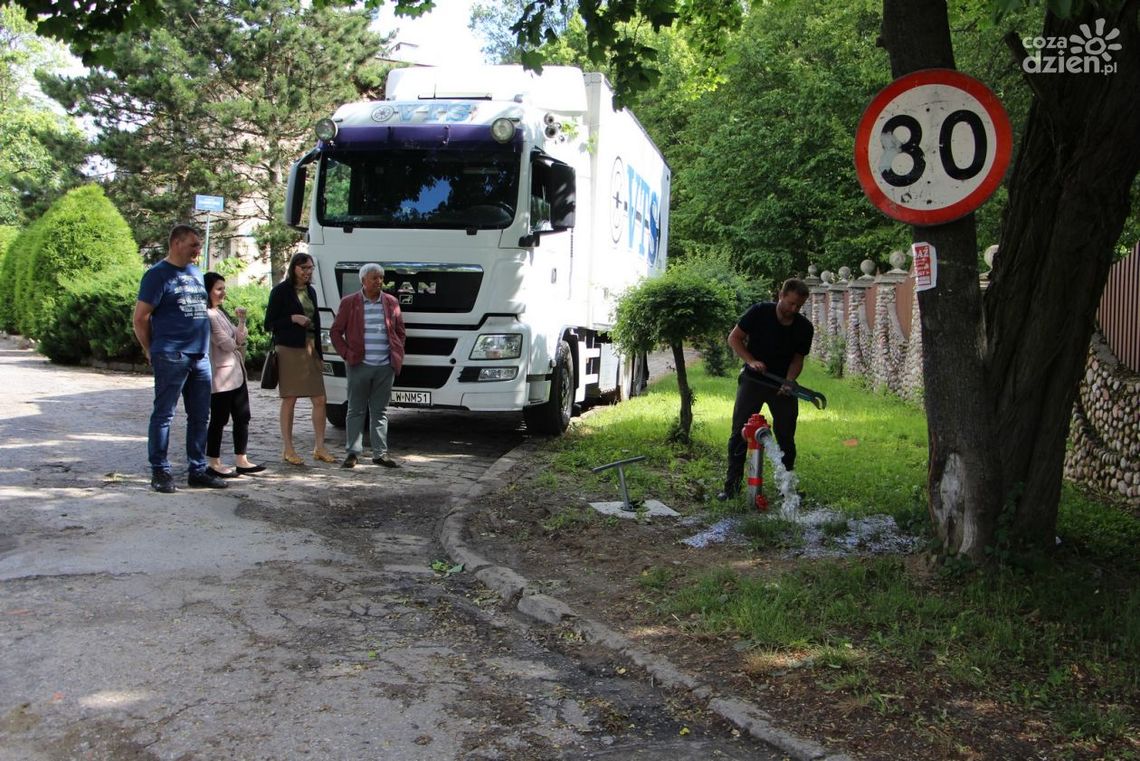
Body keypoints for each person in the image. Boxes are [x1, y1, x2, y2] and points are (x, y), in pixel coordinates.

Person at [132, 225, 229, 493]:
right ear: (176, 243)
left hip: (199, 356)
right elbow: (140, 318)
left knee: (200, 416)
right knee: (164, 414)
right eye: (193, 245)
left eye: (199, 245)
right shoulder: (157, 275)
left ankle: (197, 469)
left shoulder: (195, 273)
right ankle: (160, 471)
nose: (198, 250)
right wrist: (150, 349)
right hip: (172, 353)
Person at [718, 278, 814, 501]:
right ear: (781, 295)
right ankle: (731, 488)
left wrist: (789, 381)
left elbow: (797, 359)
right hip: (754, 381)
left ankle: (786, 488)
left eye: (798, 306)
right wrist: (751, 360)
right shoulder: (760, 312)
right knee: (739, 433)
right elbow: (734, 338)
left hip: (782, 386)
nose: (793, 309)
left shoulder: (804, 328)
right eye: (790, 303)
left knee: (786, 437)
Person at [329, 263, 406, 469]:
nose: (379, 281)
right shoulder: (350, 303)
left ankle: (380, 454)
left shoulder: (391, 302)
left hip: (385, 366)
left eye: (381, 277)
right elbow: (335, 332)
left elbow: (400, 331)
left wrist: (397, 354)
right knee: (355, 410)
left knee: (380, 411)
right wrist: (347, 354)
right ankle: (353, 453)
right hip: (359, 365)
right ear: (363, 280)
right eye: (374, 278)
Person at [264, 252, 335, 466]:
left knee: (320, 399)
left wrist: (321, 354)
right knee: (290, 399)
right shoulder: (280, 291)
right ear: (294, 268)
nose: (307, 272)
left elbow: (318, 324)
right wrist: (292, 319)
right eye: (304, 268)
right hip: (289, 349)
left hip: (311, 348)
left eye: (310, 268)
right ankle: (287, 448)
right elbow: (269, 323)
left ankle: (319, 447)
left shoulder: (311, 291)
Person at [204, 272, 265, 478]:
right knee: (219, 420)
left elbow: (238, 336)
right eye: (218, 289)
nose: (223, 293)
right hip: (221, 377)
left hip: (237, 374)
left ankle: (242, 459)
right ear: (208, 291)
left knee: (242, 416)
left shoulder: (220, 312)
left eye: (224, 288)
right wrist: (236, 340)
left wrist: (241, 320)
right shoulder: (208, 315)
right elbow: (229, 343)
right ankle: (214, 461)